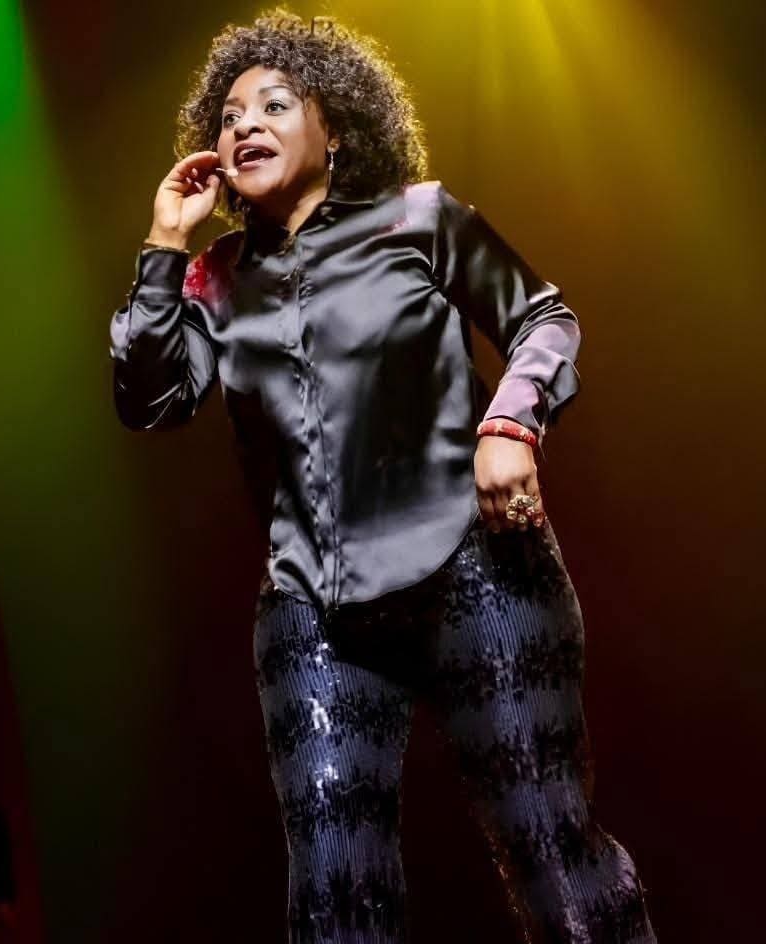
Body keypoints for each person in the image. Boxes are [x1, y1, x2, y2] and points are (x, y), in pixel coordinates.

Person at [109, 8, 657, 943]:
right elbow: (150, 400)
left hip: (476, 572)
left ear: (336, 128)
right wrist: (165, 245)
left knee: (552, 859)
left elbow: (543, 318)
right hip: (313, 610)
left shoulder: (420, 218)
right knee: (333, 897)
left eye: (274, 104)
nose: (244, 125)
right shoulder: (211, 281)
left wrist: (509, 426)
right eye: (229, 116)